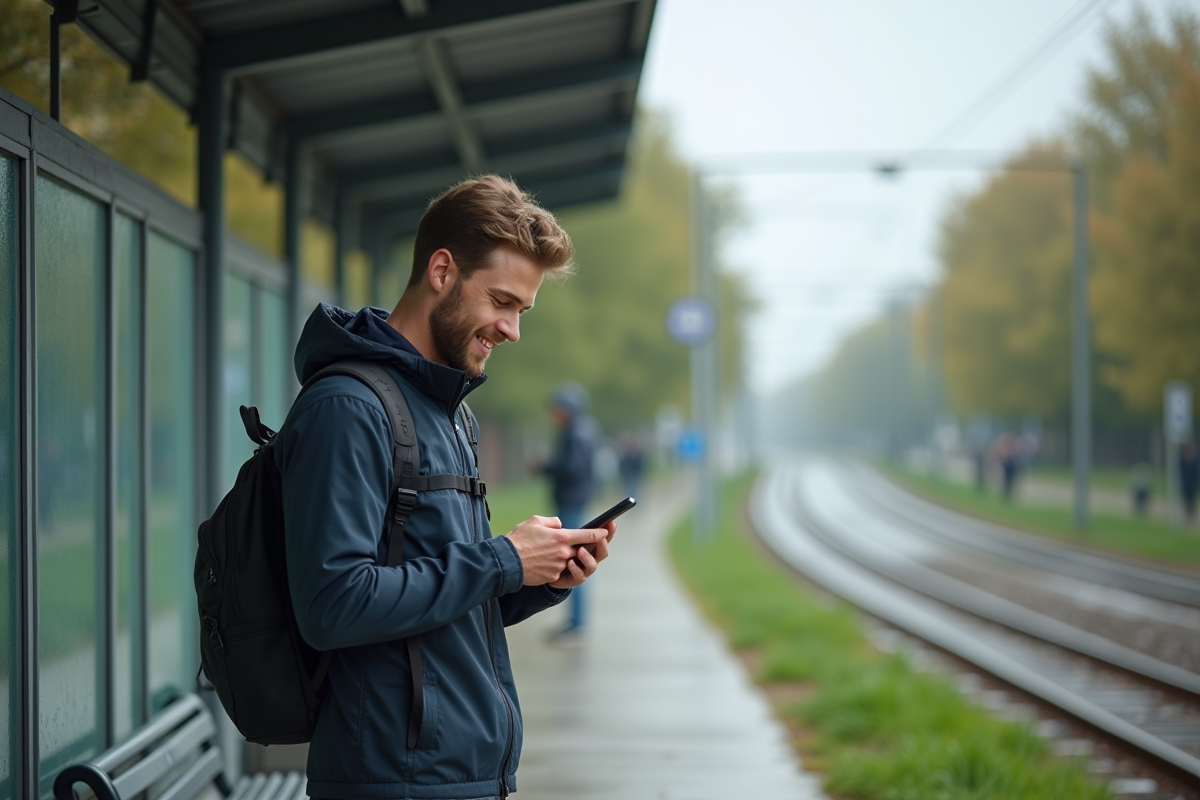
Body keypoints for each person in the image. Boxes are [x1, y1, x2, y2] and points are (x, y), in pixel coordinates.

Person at [273, 176, 616, 800]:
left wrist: (535, 577)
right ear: (441, 270)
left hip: (457, 772)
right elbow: (333, 605)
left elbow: (439, 601)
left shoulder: (449, 412)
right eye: (502, 301)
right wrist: (503, 558)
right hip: (392, 778)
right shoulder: (347, 408)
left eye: (522, 310)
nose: (512, 329)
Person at [539, 382, 598, 640]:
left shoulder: (576, 434)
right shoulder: (581, 430)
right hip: (575, 499)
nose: (555, 415)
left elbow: (572, 469)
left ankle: (577, 622)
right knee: (573, 560)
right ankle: (574, 619)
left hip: (572, 501)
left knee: (574, 561)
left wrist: (546, 467)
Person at [1181, 440, 1199, 523]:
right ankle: (1188, 512)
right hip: (1185, 482)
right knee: (1187, 498)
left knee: (1192, 498)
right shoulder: (1183, 459)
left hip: (1192, 482)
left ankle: (1191, 512)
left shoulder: (1194, 460)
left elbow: (1196, 472)